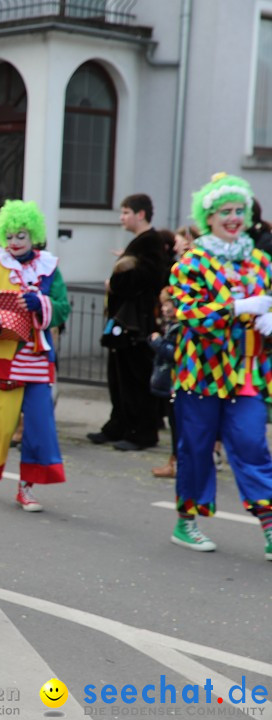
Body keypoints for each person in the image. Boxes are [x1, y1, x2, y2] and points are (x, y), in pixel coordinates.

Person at [167, 173, 272, 558]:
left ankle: (270, 525)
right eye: (225, 211)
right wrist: (236, 309)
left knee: (252, 444)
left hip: (246, 373)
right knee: (195, 449)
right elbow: (189, 313)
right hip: (202, 374)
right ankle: (186, 522)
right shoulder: (192, 262)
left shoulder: (261, 261)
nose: (233, 218)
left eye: (239, 211)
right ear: (207, 217)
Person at [0, 200, 71, 512]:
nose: (14, 242)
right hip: (1, 353)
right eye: (9, 236)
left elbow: (63, 306)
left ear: (32, 235)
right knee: (2, 422)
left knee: (39, 425)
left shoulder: (48, 267)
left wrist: (43, 305)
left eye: (20, 235)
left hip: (36, 357)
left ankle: (26, 488)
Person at [88, 194, 167, 451]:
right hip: (126, 323)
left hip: (138, 325)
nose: (122, 218)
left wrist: (116, 282)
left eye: (125, 212)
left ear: (140, 214)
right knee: (119, 376)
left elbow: (150, 277)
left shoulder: (150, 242)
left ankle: (142, 431)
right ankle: (119, 425)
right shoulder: (142, 242)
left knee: (136, 378)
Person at [149, 287, 180, 478]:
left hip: (174, 383)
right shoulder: (173, 326)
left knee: (177, 425)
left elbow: (175, 354)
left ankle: (176, 463)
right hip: (170, 383)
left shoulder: (179, 329)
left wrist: (157, 342)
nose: (163, 308)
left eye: (166, 304)